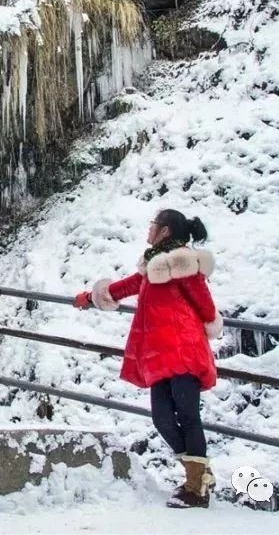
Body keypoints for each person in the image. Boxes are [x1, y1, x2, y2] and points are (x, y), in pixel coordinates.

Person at [74, 209, 223, 508]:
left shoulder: (183, 263)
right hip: (160, 356)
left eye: (153, 225)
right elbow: (128, 286)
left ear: (165, 231)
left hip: (183, 351)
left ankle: (196, 489)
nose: (149, 229)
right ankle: (200, 473)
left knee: (189, 417)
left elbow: (206, 306)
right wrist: (91, 297)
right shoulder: (153, 264)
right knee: (163, 419)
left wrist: (207, 327)